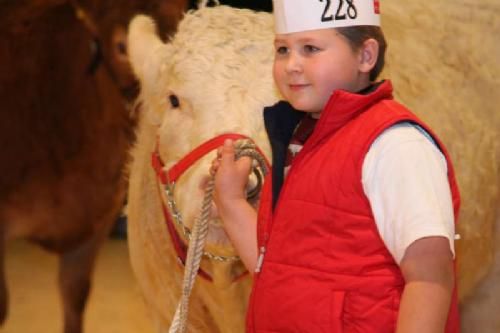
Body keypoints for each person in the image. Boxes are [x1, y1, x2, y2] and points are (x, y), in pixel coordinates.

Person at [211, 0, 460, 332]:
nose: (291, 65)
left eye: (310, 48)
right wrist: (230, 202)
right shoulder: (301, 143)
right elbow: (273, 268)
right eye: (283, 49)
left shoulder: (397, 145)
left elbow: (430, 276)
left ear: (365, 56)